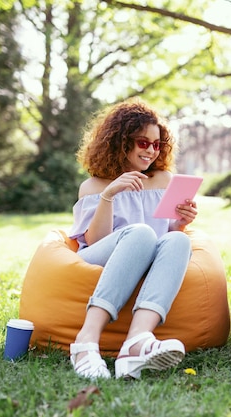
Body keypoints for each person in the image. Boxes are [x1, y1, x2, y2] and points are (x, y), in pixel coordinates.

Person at [67, 99, 197, 380]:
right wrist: (109, 195)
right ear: (121, 142)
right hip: (99, 255)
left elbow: (166, 240)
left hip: (146, 252)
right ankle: (86, 341)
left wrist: (180, 223)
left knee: (179, 242)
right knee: (141, 232)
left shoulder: (163, 179)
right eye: (142, 142)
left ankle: (136, 342)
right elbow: (95, 240)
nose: (151, 150)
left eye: (157, 144)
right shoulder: (93, 186)